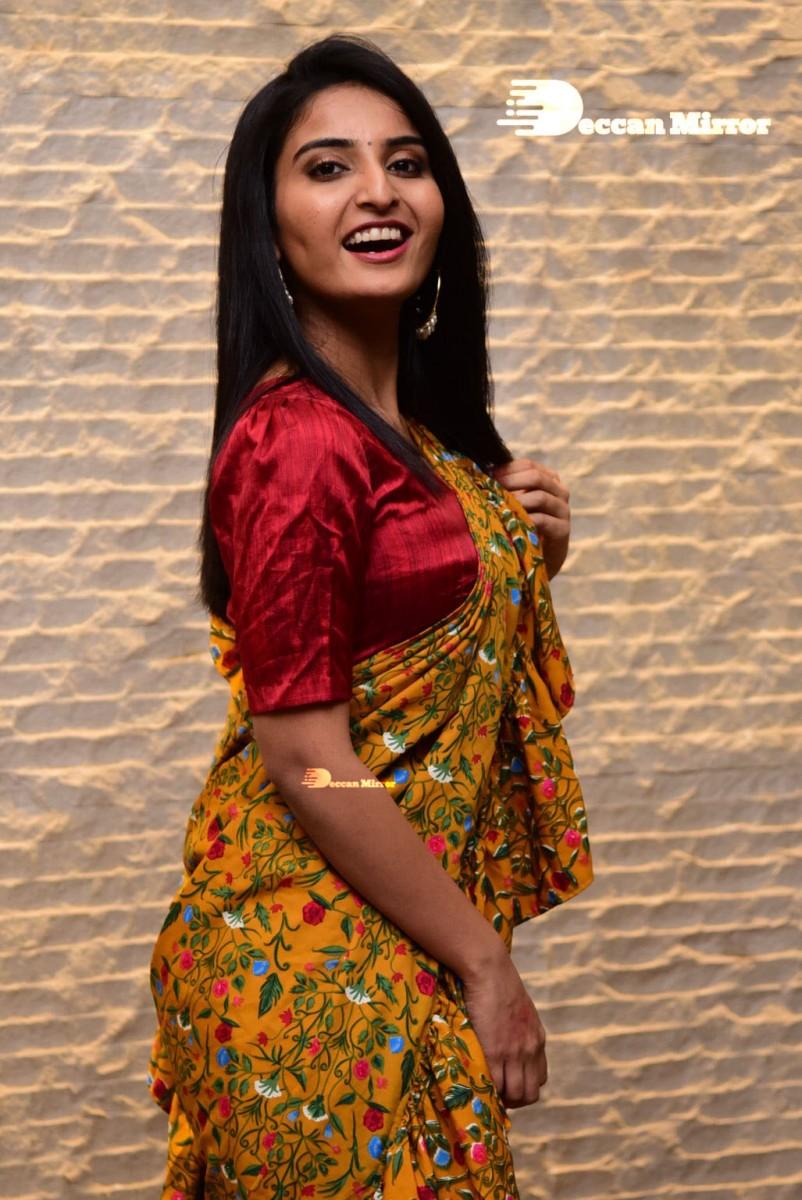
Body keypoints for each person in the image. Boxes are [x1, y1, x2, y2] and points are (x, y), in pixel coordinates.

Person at [146, 33, 594, 1200]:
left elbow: (413, 649)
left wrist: (519, 557)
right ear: (269, 225)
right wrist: (486, 964)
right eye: (327, 167)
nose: (378, 191)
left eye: (405, 162)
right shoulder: (301, 438)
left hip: (384, 942)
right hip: (301, 961)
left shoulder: (419, 442)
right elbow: (305, 753)